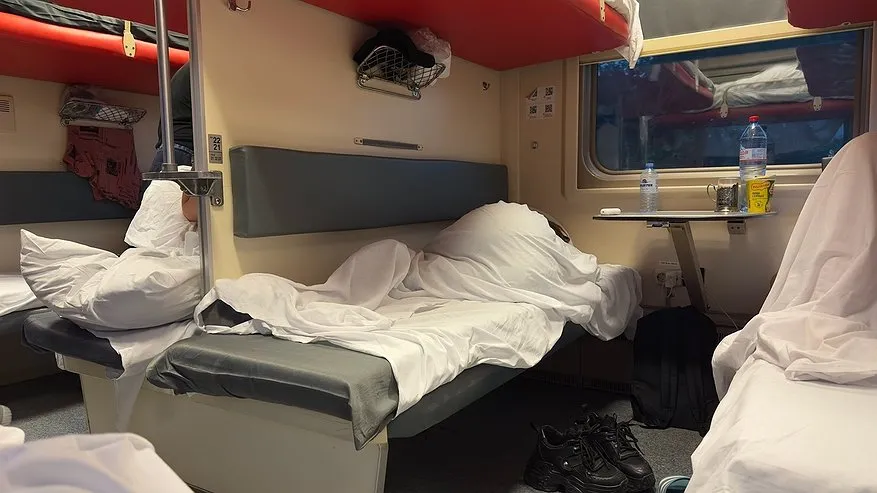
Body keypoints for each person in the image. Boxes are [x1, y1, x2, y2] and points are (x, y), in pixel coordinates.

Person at [148, 61, 197, 224]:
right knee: (174, 228)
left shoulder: (189, 69)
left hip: (169, 151)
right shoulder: (204, 67)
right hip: (184, 153)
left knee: (153, 226)